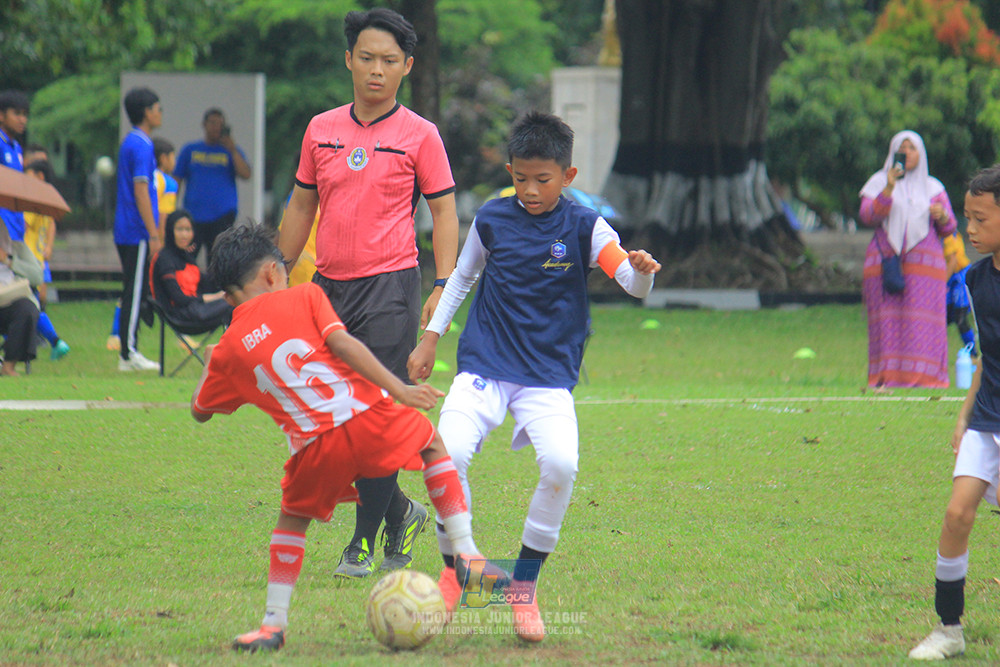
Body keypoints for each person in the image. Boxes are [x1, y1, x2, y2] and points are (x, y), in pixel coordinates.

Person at [407, 111, 662, 642]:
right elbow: (461, 279)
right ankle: (455, 573)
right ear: (510, 171)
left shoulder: (586, 226)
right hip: (485, 362)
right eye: (520, 178)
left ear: (568, 176)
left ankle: (523, 586)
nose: (529, 190)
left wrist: (641, 271)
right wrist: (431, 337)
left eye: (542, 180)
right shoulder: (492, 219)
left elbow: (631, 284)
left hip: (547, 374)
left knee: (562, 465)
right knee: (447, 453)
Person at [190, 223, 493, 653]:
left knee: (292, 521)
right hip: (364, 417)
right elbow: (344, 345)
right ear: (273, 273)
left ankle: (273, 625)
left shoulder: (227, 350)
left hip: (313, 449)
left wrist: (210, 366)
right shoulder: (306, 295)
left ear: (227, 296)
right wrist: (401, 389)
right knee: (431, 443)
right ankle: (464, 553)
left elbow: (200, 411)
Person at [277, 7, 460, 578]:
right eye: (366, 58)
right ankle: (401, 512)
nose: (376, 70)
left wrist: (443, 284)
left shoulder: (421, 135)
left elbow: (444, 212)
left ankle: (361, 541)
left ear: (407, 66)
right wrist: (277, 274)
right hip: (328, 290)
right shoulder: (320, 129)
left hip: (391, 288)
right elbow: (301, 205)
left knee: (375, 417)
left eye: (388, 60)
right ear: (348, 60)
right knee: (335, 421)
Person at [907, 164, 1000, 660]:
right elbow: (987, 358)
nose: (970, 228)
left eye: (981, 219)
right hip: (987, 418)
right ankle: (949, 629)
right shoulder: (976, 278)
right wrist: (964, 416)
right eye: (967, 217)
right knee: (956, 514)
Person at [859, 130, 957, 388]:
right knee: (887, 319)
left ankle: (927, 376)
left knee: (923, 320)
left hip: (925, 267)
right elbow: (868, 216)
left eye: (912, 148)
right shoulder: (878, 181)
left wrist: (942, 216)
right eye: (901, 148)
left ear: (921, 153)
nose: (907, 153)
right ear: (893, 152)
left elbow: (950, 227)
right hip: (885, 263)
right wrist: (889, 186)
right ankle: (888, 376)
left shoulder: (933, 187)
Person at [113, 87, 163, 372]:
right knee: (134, 291)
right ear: (146, 112)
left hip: (127, 227)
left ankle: (129, 348)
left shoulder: (131, 142)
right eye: (157, 108)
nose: (160, 113)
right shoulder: (142, 145)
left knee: (134, 288)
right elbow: (141, 189)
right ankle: (128, 353)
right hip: (136, 230)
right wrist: (153, 233)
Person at [173, 108, 251, 263]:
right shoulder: (190, 150)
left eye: (220, 124)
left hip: (222, 215)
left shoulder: (230, 151)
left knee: (217, 260)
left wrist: (232, 149)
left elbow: (246, 174)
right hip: (194, 215)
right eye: (213, 123)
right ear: (204, 124)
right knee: (186, 258)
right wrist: (172, 207)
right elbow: (177, 179)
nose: (216, 127)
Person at [149, 209, 232, 326]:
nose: (184, 235)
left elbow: (207, 282)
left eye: (188, 230)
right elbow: (178, 298)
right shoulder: (164, 259)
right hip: (181, 314)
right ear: (170, 231)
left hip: (196, 307)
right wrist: (214, 297)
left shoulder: (187, 257)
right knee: (232, 303)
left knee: (236, 298)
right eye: (179, 229)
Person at [23, 159, 70, 360]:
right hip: (39, 260)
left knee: (26, 304)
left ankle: (55, 341)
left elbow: (23, 226)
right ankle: (54, 342)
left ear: (40, 176)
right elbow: (50, 226)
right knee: (32, 303)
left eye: (28, 175)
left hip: (26, 260)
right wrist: (48, 247)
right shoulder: (45, 199)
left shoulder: (31, 201)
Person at [0, 220, 41, 376]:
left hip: (10, 302)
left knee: (27, 310)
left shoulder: (18, 248)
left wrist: (8, 261)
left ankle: (8, 366)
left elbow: (37, 277)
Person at [0, 90, 30, 242]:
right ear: (1, 115)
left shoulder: (16, 147)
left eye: (25, 115)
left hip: (16, 225)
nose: (22, 120)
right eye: (17, 114)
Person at [943, 232, 976, 354]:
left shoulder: (947, 234)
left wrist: (941, 284)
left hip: (960, 276)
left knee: (960, 318)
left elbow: (952, 261)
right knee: (944, 317)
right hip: (950, 278)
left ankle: (973, 353)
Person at [153, 137, 179, 231]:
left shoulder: (147, 177)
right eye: (173, 157)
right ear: (163, 158)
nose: (175, 162)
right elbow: (164, 216)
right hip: (157, 231)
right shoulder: (169, 183)